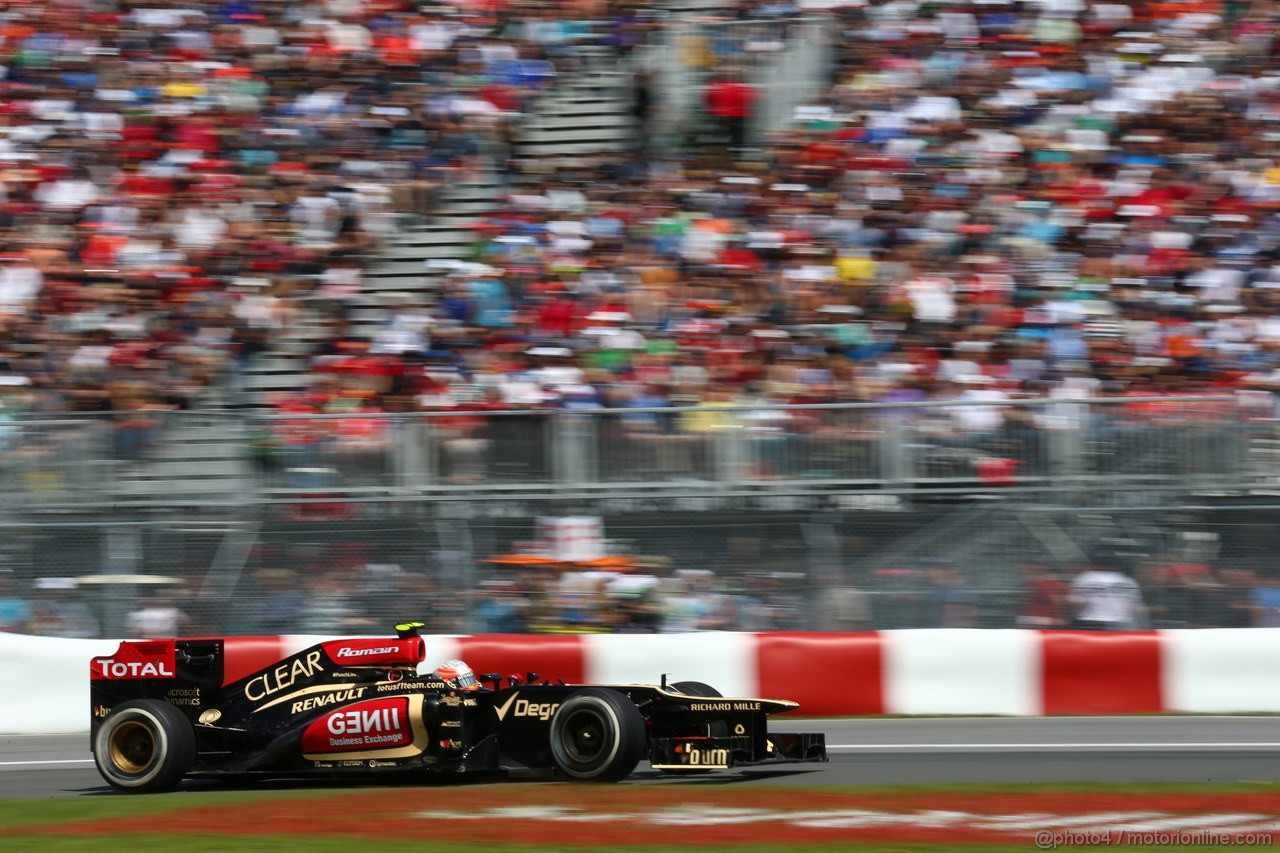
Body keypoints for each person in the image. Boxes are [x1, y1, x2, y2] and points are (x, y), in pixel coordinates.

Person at [1068, 552, 1147, 630]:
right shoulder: (1128, 581)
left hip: (1090, 623)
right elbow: (1133, 607)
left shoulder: (1084, 578)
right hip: (1121, 624)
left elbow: (1075, 603)